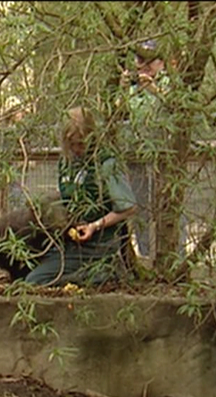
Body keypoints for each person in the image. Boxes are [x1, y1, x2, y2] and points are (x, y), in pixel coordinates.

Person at [23, 107, 137, 287]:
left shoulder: (105, 162)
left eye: (81, 144)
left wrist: (94, 226)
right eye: (72, 144)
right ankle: (90, 276)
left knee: (36, 281)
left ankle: (105, 273)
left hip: (98, 245)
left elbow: (129, 208)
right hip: (71, 242)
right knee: (26, 273)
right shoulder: (66, 162)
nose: (77, 149)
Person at [119, 39, 171, 260]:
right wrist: (123, 89)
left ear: (161, 62)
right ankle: (146, 254)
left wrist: (154, 89)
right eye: (141, 60)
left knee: (166, 206)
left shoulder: (169, 83)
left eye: (150, 61)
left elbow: (177, 108)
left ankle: (170, 254)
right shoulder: (133, 86)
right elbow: (118, 113)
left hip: (164, 157)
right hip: (136, 155)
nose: (145, 66)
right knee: (139, 207)